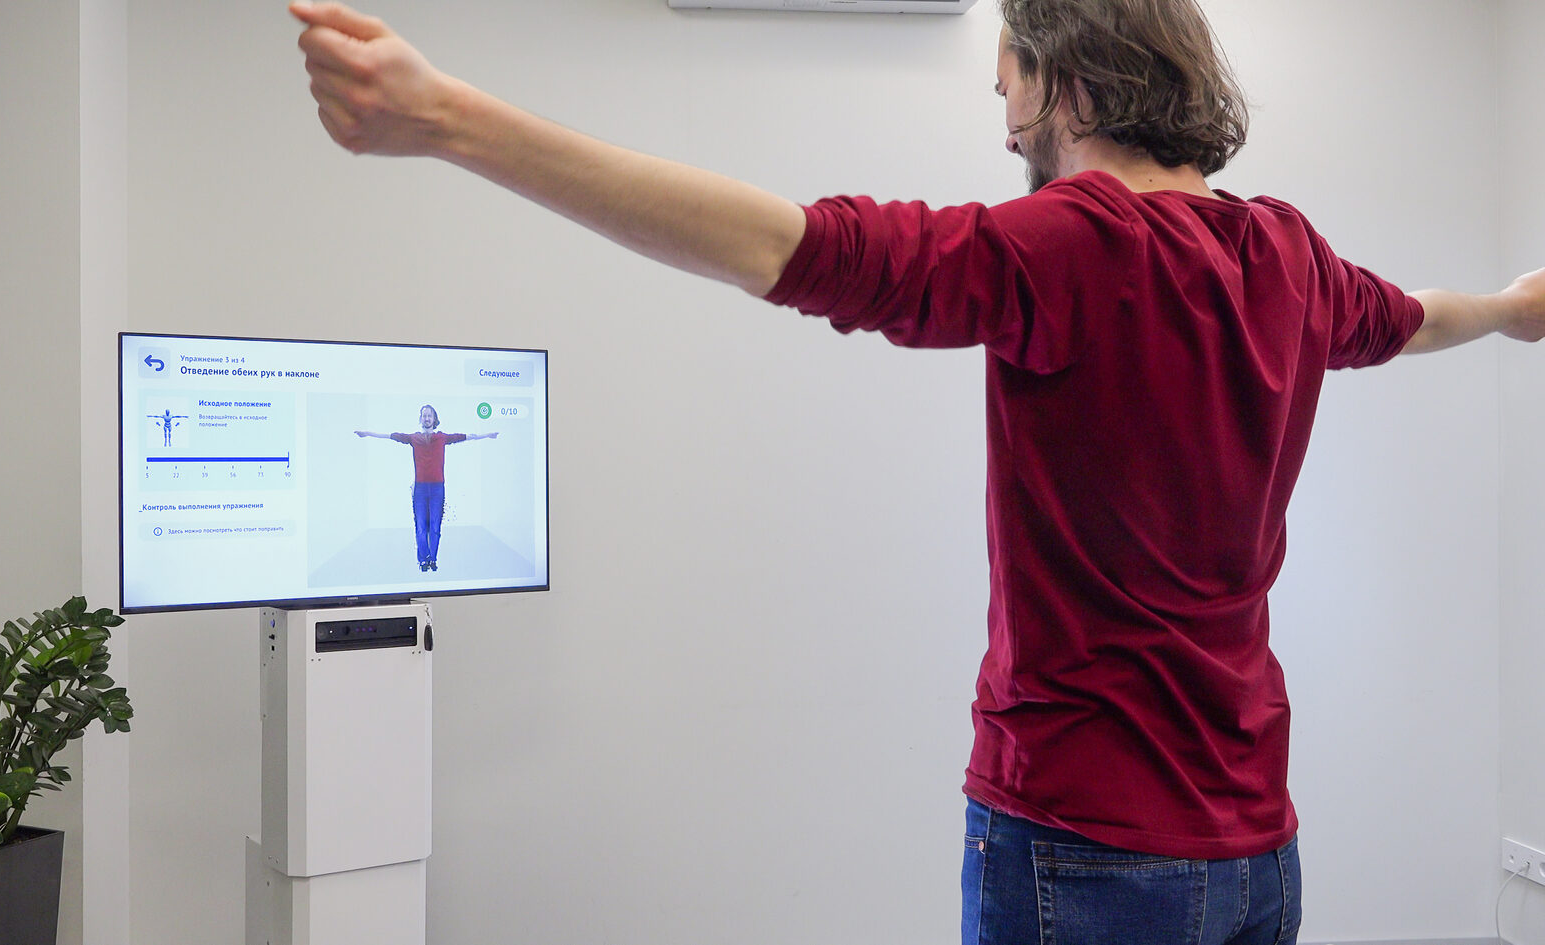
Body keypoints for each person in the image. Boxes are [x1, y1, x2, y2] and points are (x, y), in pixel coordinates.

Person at [293, 1, 1545, 941]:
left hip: (1085, 848)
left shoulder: (1073, 243)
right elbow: (1414, 317)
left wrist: (451, 122)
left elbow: (791, 246)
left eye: (1008, 87)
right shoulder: (1287, 254)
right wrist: (1511, 309)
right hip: (1259, 852)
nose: (1003, 125)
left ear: (1067, 77)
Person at [356, 404, 498, 571]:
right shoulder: (414, 438)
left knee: (435, 527)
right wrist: (367, 433)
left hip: (438, 488)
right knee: (421, 527)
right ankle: (423, 560)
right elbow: (390, 435)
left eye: (429, 415)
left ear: (434, 419)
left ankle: (433, 559)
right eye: (424, 415)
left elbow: (466, 437)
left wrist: (487, 435)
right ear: (421, 418)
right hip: (420, 489)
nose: (427, 418)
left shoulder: (442, 438)